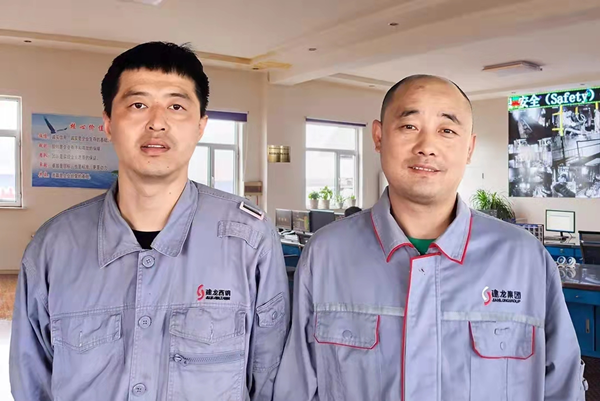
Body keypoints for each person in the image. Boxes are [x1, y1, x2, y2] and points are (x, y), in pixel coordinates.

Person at [274, 75, 586, 400]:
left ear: (469, 148)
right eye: (409, 126)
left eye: (447, 130)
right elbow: (296, 388)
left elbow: (563, 387)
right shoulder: (326, 255)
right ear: (378, 137)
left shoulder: (524, 258)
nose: (426, 146)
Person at [10, 42, 289, 401]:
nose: (157, 122)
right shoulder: (53, 247)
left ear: (200, 126)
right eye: (138, 105)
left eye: (176, 106)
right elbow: (32, 381)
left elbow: (271, 378)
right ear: (108, 124)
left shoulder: (249, 239)